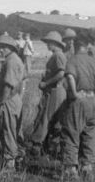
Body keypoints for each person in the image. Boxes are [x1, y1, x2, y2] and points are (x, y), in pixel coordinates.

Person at [60, 37, 95, 177]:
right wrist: (94, 96)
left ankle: (71, 168)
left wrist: (74, 93)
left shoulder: (73, 59)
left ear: (75, 45)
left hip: (79, 101)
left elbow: (70, 77)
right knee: (90, 134)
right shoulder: (94, 60)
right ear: (87, 46)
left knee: (71, 133)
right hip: (92, 101)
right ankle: (87, 166)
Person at [28, 31, 67, 159]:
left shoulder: (58, 56)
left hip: (55, 90)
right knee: (49, 118)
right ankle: (47, 147)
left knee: (45, 118)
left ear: (54, 43)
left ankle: (38, 147)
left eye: (49, 43)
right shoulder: (57, 55)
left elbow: (61, 73)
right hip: (54, 90)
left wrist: (46, 83)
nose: (47, 45)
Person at [0, 33, 26, 170]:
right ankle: (19, 159)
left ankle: (9, 164)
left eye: (2, 47)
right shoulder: (16, 59)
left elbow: (8, 85)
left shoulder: (11, 61)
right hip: (15, 99)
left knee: (8, 131)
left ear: (8, 47)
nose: (0, 50)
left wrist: (0, 104)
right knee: (15, 130)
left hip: (9, 100)